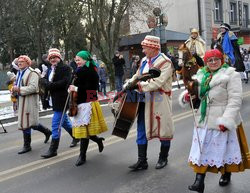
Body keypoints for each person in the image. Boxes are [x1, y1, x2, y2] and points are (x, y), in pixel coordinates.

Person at [179, 49, 248, 193]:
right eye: (210, 60)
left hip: (221, 118)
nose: (213, 62)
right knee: (202, 150)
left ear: (221, 60)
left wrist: (227, 119)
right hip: (204, 119)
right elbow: (195, 92)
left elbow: (235, 100)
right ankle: (199, 181)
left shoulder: (231, 75)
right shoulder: (201, 75)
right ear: (206, 62)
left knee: (224, 150)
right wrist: (188, 96)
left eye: (216, 59)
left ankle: (226, 173)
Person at [124, 35, 174, 171]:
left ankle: (163, 157)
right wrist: (129, 84)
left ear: (153, 48)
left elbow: (158, 82)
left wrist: (139, 86)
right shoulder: (144, 60)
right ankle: (142, 160)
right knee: (141, 128)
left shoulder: (165, 62)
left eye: (145, 47)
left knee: (163, 127)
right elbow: (137, 75)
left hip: (160, 99)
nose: (143, 50)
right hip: (144, 99)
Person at [68, 50, 108, 166]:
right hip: (78, 102)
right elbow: (74, 83)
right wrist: (70, 88)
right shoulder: (78, 70)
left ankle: (82, 156)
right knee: (85, 131)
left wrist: (76, 89)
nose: (77, 62)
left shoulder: (92, 71)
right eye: (76, 60)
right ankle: (98, 140)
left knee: (85, 132)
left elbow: (92, 88)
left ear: (85, 59)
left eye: (79, 60)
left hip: (87, 104)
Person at [40, 48, 79, 159]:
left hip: (63, 99)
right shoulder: (49, 69)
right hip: (53, 99)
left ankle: (53, 149)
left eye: (55, 57)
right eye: (51, 58)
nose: (53, 59)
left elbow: (64, 82)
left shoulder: (66, 68)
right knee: (64, 121)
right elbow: (46, 83)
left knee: (56, 123)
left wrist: (48, 84)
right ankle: (76, 136)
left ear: (59, 57)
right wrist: (44, 83)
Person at [11, 55, 52, 154]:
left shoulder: (32, 73)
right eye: (19, 62)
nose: (19, 63)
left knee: (27, 122)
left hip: (30, 101)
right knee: (30, 122)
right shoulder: (20, 73)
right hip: (22, 100)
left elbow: (33, 88)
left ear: (27, 63)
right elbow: (18, 85)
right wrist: (14, 90)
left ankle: (27, 145)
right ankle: (47, 132)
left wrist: (19, 89)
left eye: (22, 61)